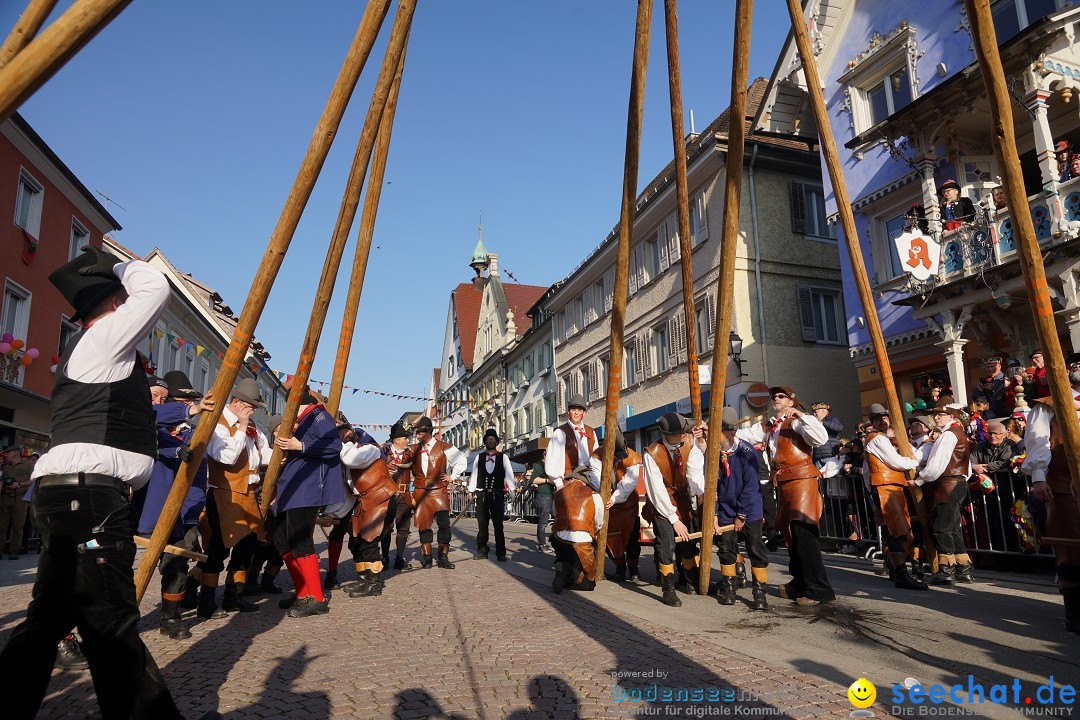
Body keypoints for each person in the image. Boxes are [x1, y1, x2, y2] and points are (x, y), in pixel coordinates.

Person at [0, 246, 193, 720]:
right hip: (85, 495)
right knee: (110, 622)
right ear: (112, 304)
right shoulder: (104, 338)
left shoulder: (103, 350)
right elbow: (156, 287)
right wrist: (119, 267)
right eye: (122, 300)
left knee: (48, 622)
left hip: (76, 494)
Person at [737, 386, 834, 607]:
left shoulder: (798, 422)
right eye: (774, 397)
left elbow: (820, 438)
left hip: (802, 481)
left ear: (791, 401)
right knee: (791, 536)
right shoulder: (771, 426)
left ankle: (819, 589)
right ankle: (799, 583)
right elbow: (742, 436)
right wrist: (715, 431)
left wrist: (802, 415)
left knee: (805, 534)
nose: (776, 399)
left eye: (781, 396)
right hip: (783, 483)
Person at [137, 370, 215, 639]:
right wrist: (191, 410)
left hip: (173, 509)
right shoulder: (136, 417)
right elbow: (152, 432)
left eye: (163, 397)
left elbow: (174, 445)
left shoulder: (178, 428)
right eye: (154, 397)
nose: (159, 402)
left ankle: (170, 617)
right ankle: (119, 614)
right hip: (138, 505)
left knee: (177, 562)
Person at [200, 378, 273, 618]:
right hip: (224, 494)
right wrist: (241, 426)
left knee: (247, 546)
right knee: (219, 548)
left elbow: (263, 457)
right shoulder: (217, 423)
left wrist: (281, 455)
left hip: (249, 494)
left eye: (254, 408)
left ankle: (233, 596)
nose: (252, 412)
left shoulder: (253, 428)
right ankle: (206, 600)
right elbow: (227, 457)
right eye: (250, 406)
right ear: (237, 402)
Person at [1022, 352, 1080, 633]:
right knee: (1071, 549)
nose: (1078, 366)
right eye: (1074, 364)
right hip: (1063, 484)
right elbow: (1038, 441)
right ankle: (1075, 612)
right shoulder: (1048, 405)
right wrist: (1038, 477)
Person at [273, 388, 343, 617]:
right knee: (282, 540)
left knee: (301, 543)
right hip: (292, 489)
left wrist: (299, 446)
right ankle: (303, 592)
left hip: (307, 489)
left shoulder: (318, 415)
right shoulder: (304, 419)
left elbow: (334, 445)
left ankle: (317, 598)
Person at [642, 412, 705, 606]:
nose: (683, 436)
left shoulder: (690, 444)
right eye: (677, 434)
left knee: (688, 541)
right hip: (662, 502)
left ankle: (690, 580)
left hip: (682, 498)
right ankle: (668, 588)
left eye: (683, 433)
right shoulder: (651, 453)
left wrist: (702, 493)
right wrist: (673, 519)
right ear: (666, 434)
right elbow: (657, 491)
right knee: (666, 544)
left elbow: (694, 474)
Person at [912, 398, 975, 584]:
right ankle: (963, 568)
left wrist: (919, 480)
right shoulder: (956, 432)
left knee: (942, 528)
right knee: (952, 528)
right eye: (935, 414)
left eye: (940, 414)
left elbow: (936, 464)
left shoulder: (948, 435)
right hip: (957, 482)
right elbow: (967, 467)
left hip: (948, 484)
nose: (936, 417)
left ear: (951, 416)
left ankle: (946, 570)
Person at [862, 404, 925, 590]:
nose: (882, 422)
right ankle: (900, 575)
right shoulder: (878, 439)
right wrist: (913, 461)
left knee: (895, 530)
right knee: (898, 530)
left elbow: (868, 472)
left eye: (885, 418)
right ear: (872, 422)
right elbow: (895, 462)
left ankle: (895, 570)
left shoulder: (877, 438)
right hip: (886, 487)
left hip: (885, 486)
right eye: (878, 419)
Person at [711, 408, 769, 609]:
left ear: (729, 433)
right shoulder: (713, 454)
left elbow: (751, 487)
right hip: (726, 508)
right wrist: (715, 515)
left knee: (755, 548)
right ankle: (729, 588)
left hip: (750, 508)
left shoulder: (746, 452)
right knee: (726, 549)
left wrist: (742, 515)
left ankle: (759, 594)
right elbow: (712, 488)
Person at [340, 427, 396, 598]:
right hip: (365, 500)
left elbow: (351, 459)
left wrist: (342, 443)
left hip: (381, 497)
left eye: (344, 432)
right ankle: (365, 579)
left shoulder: (369, 449)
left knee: (369, 540)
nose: (342, 436)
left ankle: (374, 584)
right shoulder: (345, 453)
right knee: (356, 542)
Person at [409, 416, 466, 569]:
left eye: (420, 433)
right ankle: (427, 558)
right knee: (423, 525)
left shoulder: (444, 446)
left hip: (439, 490)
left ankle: (443, 557)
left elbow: (461, 460)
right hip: (421, 490)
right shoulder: (414, 449)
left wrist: (452, 477)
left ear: (428, 432)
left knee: (444, 524)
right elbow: (400, 455)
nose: (418, 436)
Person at [589, 429, 642, 582]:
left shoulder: (632, 457)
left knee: (632, 538)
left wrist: (615, 497)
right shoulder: (596, 457)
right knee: (609, 538)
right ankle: (620, 568)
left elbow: (629, 483)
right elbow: (595, 478)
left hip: (627, 504)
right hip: (606, 503)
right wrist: (604, 493)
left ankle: (634, 569)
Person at [468, 428, 517, 562]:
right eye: (488, 439)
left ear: (496, 441)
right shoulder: (480, 456)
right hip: (482, 495)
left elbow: (509, 474)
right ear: (485, 442)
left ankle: (501, 552)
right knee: (482, 525)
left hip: (497, 495)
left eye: (493, 439)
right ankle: (482, 550)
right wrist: (470, 490)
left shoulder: (503, 457)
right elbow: (474, 474)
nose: (491, 441)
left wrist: (512, 490)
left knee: (498, 525)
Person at [381, 420, 415, 569]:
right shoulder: (383, 453)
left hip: (405, 494)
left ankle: (399, 559)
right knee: (386, 528)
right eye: (405, 438)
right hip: (388, 495)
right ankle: (385, 558)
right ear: (396, 440)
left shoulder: (411, 454)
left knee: (404, 528)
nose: (407, 440)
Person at [544, 395, 596, 490]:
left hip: (590, 480)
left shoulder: (591, 432)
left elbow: (596, 460)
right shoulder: (560, 432)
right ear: (568, 412)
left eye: (580, 410)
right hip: (568, 481)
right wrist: (559, 484)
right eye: (573, 410)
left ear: (584, 414)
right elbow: (554, 459)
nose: (576, 413)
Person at [1, 446, 32, 559]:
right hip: (6, 497)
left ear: (15, 453)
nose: (6, 455)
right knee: (2, 525)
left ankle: (13, 551)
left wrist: (19, 484)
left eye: (8, 453)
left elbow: (33, 479)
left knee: (18, 526)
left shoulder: (27, 465)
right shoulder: (5, 466)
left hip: (20, 498)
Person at [529, 453, 554, 552]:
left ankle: (552, 544)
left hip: (551, 495)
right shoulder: (540, 465)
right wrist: (547, 480)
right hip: (544, 496)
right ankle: (541, 545)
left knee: (556, 521)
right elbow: (533, 480)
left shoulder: (552, 465)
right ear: (544, 455)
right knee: (543, 523)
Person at [810, 402, 843, 470]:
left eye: (816, 412)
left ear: (823, 411)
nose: (814, 414)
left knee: (832, 478)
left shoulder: (832, 419)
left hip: (831, 456)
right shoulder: (814, 422)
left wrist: (823, 423)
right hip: (817, 457)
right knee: (820, 479)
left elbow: (839, 428)